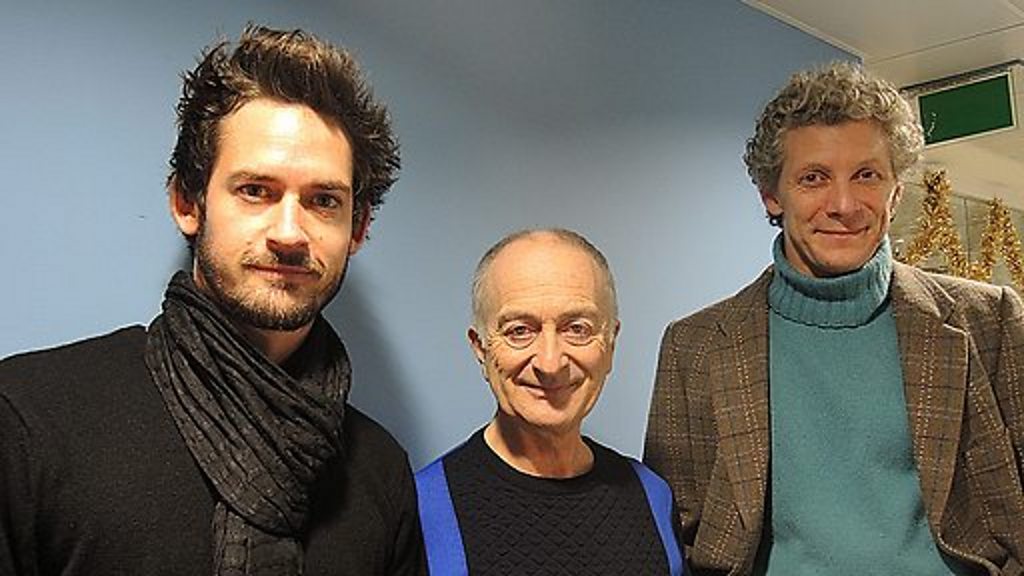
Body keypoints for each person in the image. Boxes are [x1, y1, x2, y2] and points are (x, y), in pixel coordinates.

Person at [0, 25, 424, 575]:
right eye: (256, 191)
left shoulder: (381, 473)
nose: (289, 233)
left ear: (358, 228)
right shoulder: (29, 421)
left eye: (323, 200)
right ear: (187, 202)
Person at [644, 61, 1024, 576]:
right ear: (771, 196)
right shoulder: (695, 346)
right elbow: (677, 537)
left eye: (866, 175)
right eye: (813, 178)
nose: (844, 204)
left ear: (895, 191)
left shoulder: (990, 321)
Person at [415, 228, 684, 575]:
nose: (550, 362)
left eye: (577, 328)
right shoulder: (422, 508)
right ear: (481, 349)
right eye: (519, 331)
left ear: (610, 344)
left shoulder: (653, 498)